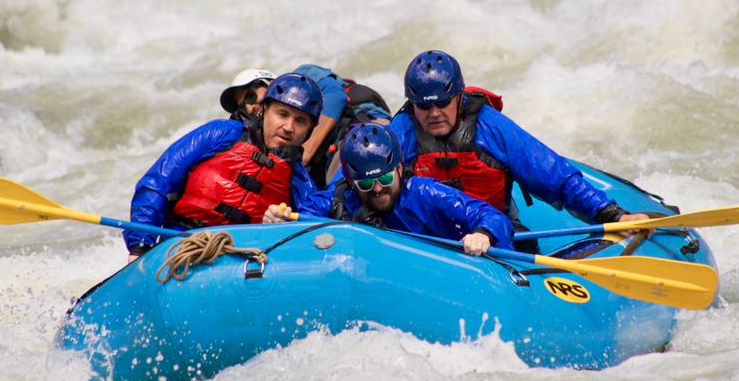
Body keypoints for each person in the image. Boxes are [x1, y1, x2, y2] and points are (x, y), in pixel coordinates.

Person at [387, 50, 651, 250]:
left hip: (493, 232)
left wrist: (612, 214)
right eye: (423, 106)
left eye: (443, 103)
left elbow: (554, 176)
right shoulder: (399, 133)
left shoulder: (492, 128)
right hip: (422, 240)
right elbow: (356, 185)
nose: (434, 113)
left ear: (459, 96)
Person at [123, 73, 322, 262]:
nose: (288, 127)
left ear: (310, 130)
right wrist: (140, 246)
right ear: (264, 110)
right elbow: (158, 182)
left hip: (242, 260)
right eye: (282, 114)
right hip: (182, 243)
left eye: (300, 121)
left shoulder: (300, 180)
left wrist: (283, 227)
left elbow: (311, 233)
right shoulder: (219, 133)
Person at [263, 123, 515, 256]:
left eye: (384, 178)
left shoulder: (426, 193)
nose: (376, 189)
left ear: (399, 168)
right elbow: (302, 220)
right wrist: (279, 220)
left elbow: (492, 216)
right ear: (350, 182)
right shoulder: (338, 200)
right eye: (364, 183)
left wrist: (484, 234)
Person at [292, 64, 393, 189]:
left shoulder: (296, 79)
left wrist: (303, 155)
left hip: (365, 130)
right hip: (343, 150)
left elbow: (336, 95)